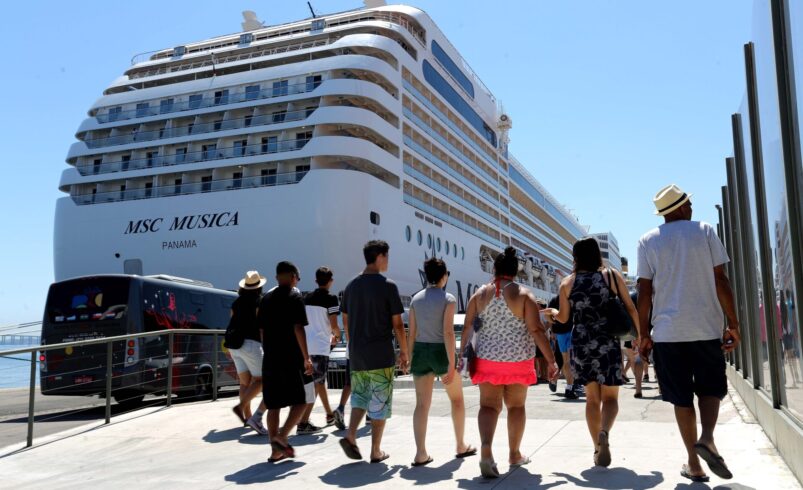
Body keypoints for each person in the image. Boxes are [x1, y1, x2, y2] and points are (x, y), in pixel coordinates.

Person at [637, 184, 740, 483]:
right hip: (705, 328)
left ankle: (694, 465)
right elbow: (720, 279)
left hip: (668, 333)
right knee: (710, 389)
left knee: (681, 398)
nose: (691, 208)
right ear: (680, 208)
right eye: (688, 204)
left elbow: (644, 291)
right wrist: (733, 322)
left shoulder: (647, 241)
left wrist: (643, 333)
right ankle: (707, 437)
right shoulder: (704, 231)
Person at [460, 246, 558, 479]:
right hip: (517, 361)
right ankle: (514, 454)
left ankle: (486, 449)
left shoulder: (479, 294)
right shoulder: (524, 295)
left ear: (494, 269)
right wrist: (551, 360)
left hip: (487, 361)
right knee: (515, 407)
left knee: (488, 407)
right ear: (516, 272)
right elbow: (535, 329)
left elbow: (466, 328)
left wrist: (460, 358)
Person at [551, 237, 639, 468]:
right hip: (607, 341)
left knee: (591, 399)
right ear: (597, 255)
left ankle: (597, 448)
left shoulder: (567, 283)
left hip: (581, 343)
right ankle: (605, 432)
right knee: (611, 398)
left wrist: (552, 313)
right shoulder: (610, 276)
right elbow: (630, 307)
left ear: (575, 257)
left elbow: (564, 318)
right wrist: (639, 337)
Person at [339, 240, 409, 463]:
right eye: (387, 256)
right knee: (379, 402)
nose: (388, 261)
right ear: (379, 256)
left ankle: (350, 434)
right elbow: (398, 324)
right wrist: (405, 352)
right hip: (380, 353)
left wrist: (353, 344)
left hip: (358, 353)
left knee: (360, 397)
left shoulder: (351, 286)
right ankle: (376, 450)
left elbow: (346, 320)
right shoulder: (388, 286)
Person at [408, 257, 475, 466]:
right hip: (440, 351)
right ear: (444, 276)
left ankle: (420, 453)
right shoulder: (448, 298)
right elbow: (447, 332)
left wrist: (410, 358)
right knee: (456, 400)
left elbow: (412, 332)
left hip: (420, 350)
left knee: (421, 404)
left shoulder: (415, 299)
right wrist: (451, 363)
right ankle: (460, 445)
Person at [258, 261, 315, 463]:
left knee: (273, 405)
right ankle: (282, 437)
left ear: (276, 278)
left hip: (271, 357)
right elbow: (298, 328)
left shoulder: (265, 299)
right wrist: (306, 357)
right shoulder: (294, 297)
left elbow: (262, 330)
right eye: (298, 278)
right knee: (300, 402)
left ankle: (275, 451)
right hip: (290, 357)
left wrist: (268, 350)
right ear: (293, 277)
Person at [297, 267, 342, 434]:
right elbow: (334, 325)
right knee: (317, 384)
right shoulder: (331, 298)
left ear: (316, 280)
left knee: (318, 382)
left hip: (305, 347)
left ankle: (329, 415)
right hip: (321, 346)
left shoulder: (306, 297)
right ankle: (303, 422)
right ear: (330, 281)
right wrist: (336, 337)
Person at [228, 271, 269, 435]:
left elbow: (232, 321)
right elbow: (262, 327)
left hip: (234, 345)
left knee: (245, 382)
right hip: (251, 344)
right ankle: (241, 406)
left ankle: (248, 417)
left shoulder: (236, 302)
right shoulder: (259, 302)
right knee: (262, 380)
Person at [548, 295, 580, 399]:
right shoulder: (574, 298)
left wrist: (554, 327)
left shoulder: (554, 299)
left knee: (566, 360)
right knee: (571, 361)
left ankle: (569, 386)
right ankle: (569, 388)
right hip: (572, 331)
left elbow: (548, 315)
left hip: (560, 333)